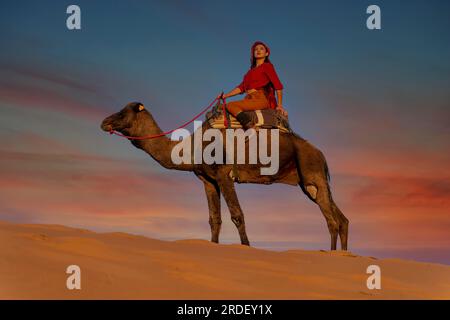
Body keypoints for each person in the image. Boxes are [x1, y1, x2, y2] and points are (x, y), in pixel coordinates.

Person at [218, 41, 287, 130]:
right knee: (225, 107)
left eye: (261, 49)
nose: (258, 50)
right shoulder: (249, 73)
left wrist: (280, 105)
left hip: (260, 98)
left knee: (230, 106)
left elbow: (278, 86)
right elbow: (241, 87)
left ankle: (251, 126)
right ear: (253, 54)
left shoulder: (267, 66)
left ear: (266, 54)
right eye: (256, 49)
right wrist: (226, 95)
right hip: (249, 98)